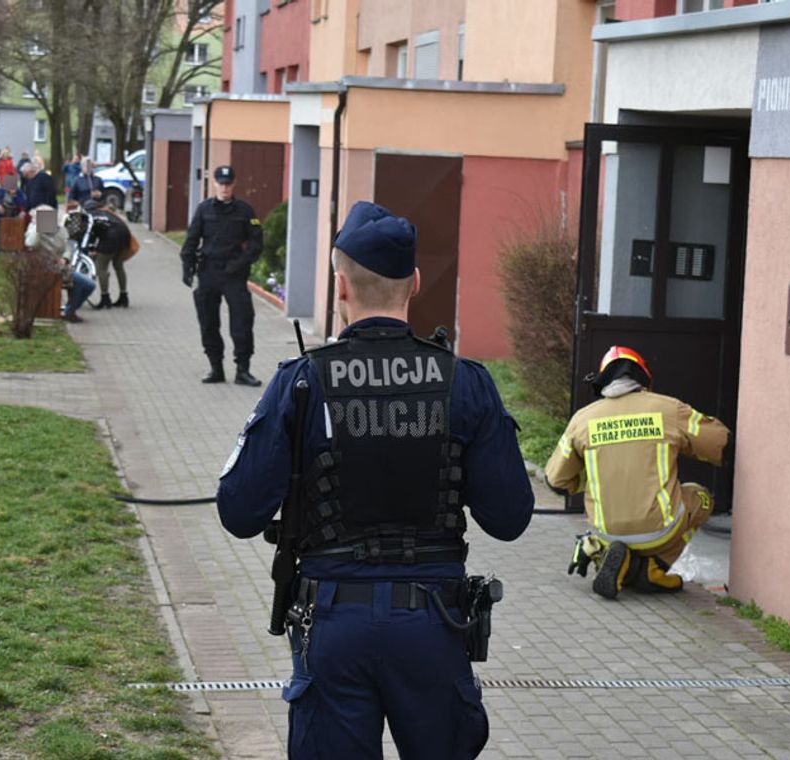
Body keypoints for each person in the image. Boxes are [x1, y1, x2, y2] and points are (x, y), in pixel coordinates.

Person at [216, 200, 534, 759]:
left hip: (333, 625)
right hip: (434, 625)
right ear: (413, 283)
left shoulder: (301, 383)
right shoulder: (465, 383)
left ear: (341, 286)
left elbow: (239, 511)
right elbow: (509, 518)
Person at [544, 346, 730, 600]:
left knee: (600, 497)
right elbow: (722, 444)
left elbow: (556, 482)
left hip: (605, 530)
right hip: (659, 532)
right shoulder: (668, 409)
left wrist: (592, 478)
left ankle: (613, 557)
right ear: (642, 376)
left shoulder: (583, 419)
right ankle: (656, 566)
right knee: (701, 497)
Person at [179, 165, 264, 386]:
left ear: (234, 184)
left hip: (234, 273)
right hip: (208, 272)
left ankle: (242, 370)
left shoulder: (245, 210)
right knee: (208, 322)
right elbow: (191, 238)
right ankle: (215, 367)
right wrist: (187, 266)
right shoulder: (204, 209)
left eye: (228, 183)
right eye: (221, 183)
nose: (225, 188)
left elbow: (256, 242)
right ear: (214, 184)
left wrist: (242, 262)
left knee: (243, 321)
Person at [25, 205, 95, 323]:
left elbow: (68, 248)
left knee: (88, 284)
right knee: (78, 283)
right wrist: (38, 228)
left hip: (60, 268)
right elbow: (30, 243)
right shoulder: (33, 229)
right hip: (41, 268)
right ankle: (66, 312)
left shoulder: (60, 230)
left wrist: (65, 259)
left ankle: (70, 310)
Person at [65, 203, 131, 308]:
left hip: (110, 237)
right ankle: (124, 296)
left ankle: (105, 298)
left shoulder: (87, 216)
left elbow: (85, 235)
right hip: (125, 234)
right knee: (119, 266)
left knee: (101, 268)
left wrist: (90, 250)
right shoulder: (105, 213)